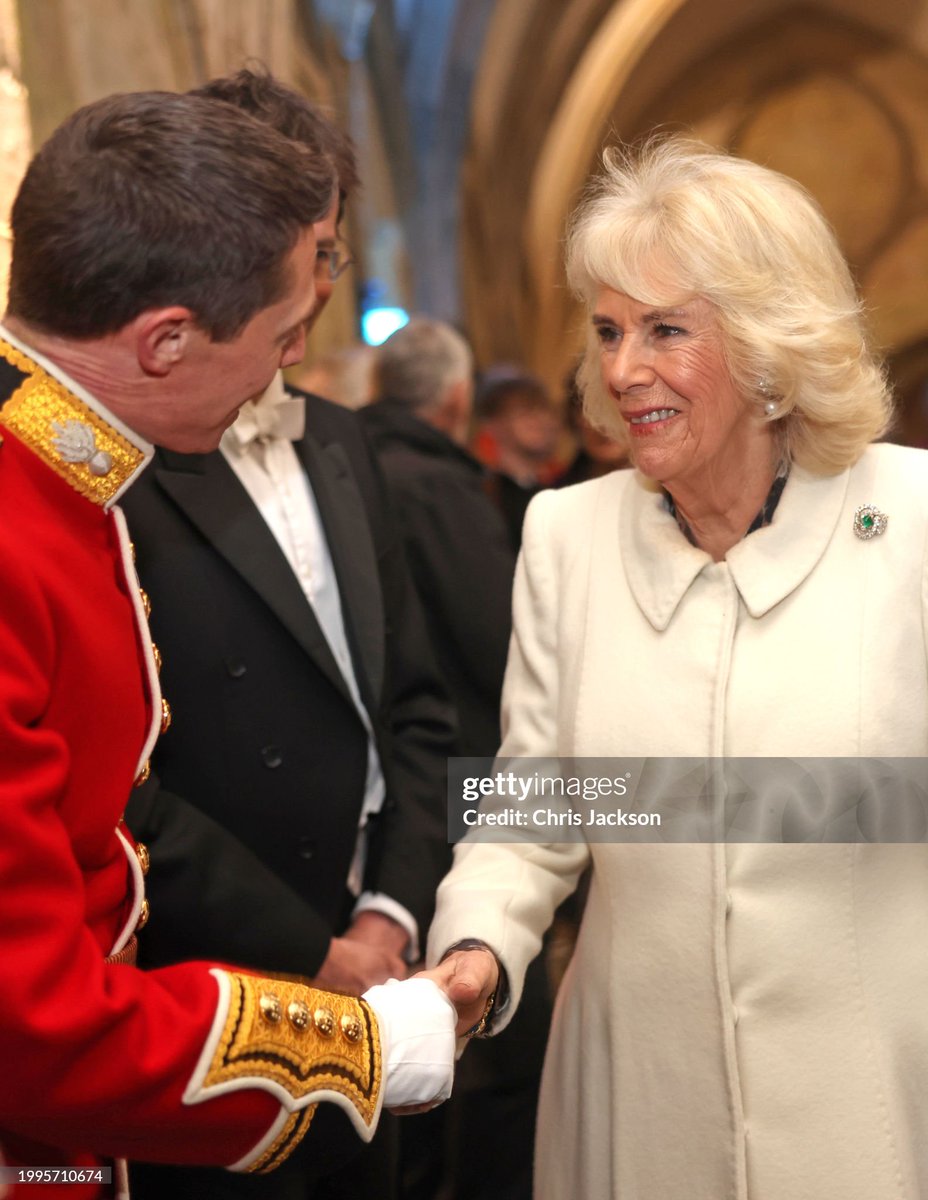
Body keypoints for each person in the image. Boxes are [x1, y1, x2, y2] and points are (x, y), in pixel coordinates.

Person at [426, 138, 928, 1199]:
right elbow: (540, 804)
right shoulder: (564, 533)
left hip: (873, 1086)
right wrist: (477, 948)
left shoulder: (915, 520)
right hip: (635, 1097)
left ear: (766, 343)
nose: (620, 370)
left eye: (664, 331)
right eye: (608, 331)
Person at [0, 89, 459, 1200]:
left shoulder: (66, 481)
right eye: (275, 337)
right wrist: (355, 1046)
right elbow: (34, 1015)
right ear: (165, 338)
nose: (279, 371)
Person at [361, 317, 516, 758]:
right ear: (459, 396)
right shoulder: (439, 487)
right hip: (457, 742)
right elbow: (493, 629)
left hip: (389, 742)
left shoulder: (349, 464)